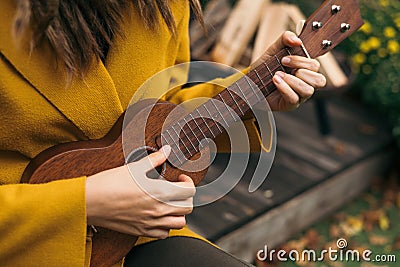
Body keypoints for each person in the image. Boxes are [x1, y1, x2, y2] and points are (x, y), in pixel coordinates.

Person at [0, 0, 326, 266]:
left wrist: (251, 91)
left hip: (126, 242)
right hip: (28, 239)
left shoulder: (164, 4)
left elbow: (160, 109)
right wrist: (84, 202)